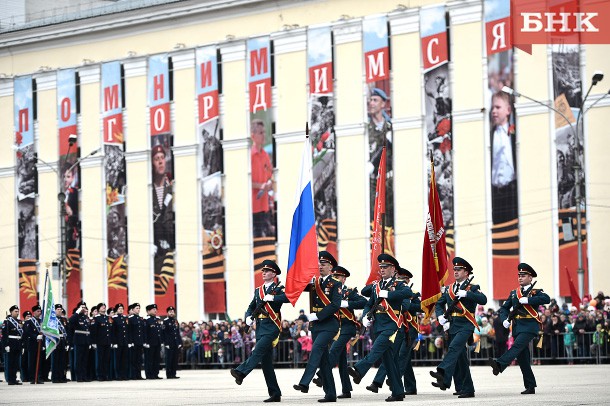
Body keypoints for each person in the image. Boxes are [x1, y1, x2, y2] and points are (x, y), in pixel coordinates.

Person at [348, 254, 411, 402]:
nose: (382, 269)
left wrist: (389, 294)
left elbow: (408, 294)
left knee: (376, 349)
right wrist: (365, 317)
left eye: (385, 267)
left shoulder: (399, 284)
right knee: (389, 361)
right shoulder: (377, 286)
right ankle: (398, 392)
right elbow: (369, 303)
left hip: (393, 326)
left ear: (393, 269)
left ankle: (359, 369)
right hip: (378, 326)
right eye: (381, 267)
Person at [230, 260, 289, 403]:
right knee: (266, 363)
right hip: (261, 328)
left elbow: (289, 297)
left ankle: (241, 372)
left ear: (274, 274)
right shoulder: (258, 290)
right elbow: (251, 307)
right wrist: (248, 318)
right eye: (263, 271)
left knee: (257, 351)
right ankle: (275, 393)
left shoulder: (278, 288)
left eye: (267, 271)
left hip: (272, 326)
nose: (263, 273)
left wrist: (273, 297)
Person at [489, 263, 551, 394]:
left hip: (529, 326)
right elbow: (504, 308)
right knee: (523, 358)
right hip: (517, 327)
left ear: (530, 278)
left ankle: (500, 364)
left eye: (524, 275)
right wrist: (504, 319)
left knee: (516, 347)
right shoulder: (514, 293)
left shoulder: (536, 292)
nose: (520, 278)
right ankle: (530, 386)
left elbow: (546, 299)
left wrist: (528, 300)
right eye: (519, 276)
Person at [431, 257, 487, 398]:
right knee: (460, 358)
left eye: (459, 269)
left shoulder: (472, 287)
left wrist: (467, 294)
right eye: (454, 269)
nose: (455, 272)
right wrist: (440, 317)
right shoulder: (450, 288)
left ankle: (442, 372)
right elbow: (439, 304)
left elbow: (483, 300)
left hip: (466, 324)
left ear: (466, 272)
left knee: (454, 348)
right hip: (453, 325)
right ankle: (467, 389)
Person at [293, 251, 342, 403]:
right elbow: (299, 286)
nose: (321, 266)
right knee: (324, 362)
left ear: (330, 267)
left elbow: (335, 305)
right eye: (319, 264)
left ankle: (305, 382)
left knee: (316, 349)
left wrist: (316, 316)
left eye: (324, 264)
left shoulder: (336, 283)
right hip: (317, 327)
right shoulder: (315, 283)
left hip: (329, 325)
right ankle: (330, 394)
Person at [312, 265, 367, 398]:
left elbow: (363, 302)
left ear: (344, 279)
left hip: (347, 327)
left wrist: (347, 303)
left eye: (338, 277)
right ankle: (346, 390)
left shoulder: (349, 291)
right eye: (334, 276)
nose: (335, 279)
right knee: (342, 360)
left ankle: (321, 376)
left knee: (334, 351)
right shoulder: (328, 291)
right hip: (334, 327)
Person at [367, 266, 421, 396]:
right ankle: (409, 386)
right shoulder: (391, 290)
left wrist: (403, 303)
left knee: (399, 355)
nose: (398, 280)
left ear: (407, 280)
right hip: (397, 326)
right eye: (398, 278)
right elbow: (366, 291)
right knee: (400, 357)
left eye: (402, 279)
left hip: (409, 328)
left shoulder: (411, 293)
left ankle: (381, 382)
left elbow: (418, 307)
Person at [490, 91, 518, 224]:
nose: (494, 111)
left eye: (498, 107)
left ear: (508, 110)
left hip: (512, 192)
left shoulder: (515, 134)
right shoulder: (489, 136)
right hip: (494, 194)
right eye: (492, 108)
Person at [151, 143, 175, 291]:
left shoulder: (172, 187)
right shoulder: (148, 188)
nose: (160, 161)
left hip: (172, 244)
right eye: (156, 159)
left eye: (162, 158)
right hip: (156, 247)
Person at [250, 119, 275, 238]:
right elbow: (244, 182)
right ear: (253, 136)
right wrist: (261, 186)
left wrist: (270, 182)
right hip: (253, 207)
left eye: (264, 132)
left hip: (265, 205)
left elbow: (271, 175)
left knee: (268, 236)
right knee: (257, 237)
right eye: (261, 133)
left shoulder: (265, 155)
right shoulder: (249, 156)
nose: (264, 135)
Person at [68, 302, 91, 382]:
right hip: (79, 341)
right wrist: (77, 312)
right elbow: (70, 321)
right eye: (81, 307)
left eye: (84, 307)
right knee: (78, 360)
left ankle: (84, 376)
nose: (83, 308)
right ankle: (79, 376)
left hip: (86, 341)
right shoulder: (76, 316)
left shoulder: (86, 317)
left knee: (85, 360)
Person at [23, 304, 45, 384]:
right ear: (34, 312)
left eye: (40, 311)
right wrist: (36, 336)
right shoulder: (29, 322)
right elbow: (27, 332)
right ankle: (32, 378)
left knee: (39, 362)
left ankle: (38, 377)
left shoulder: (41, 322)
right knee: (32, 362)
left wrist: (43, 345)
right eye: (38, 311)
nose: (39, 313)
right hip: (32, 344)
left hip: (40, 344)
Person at [2, 305, 23, 385]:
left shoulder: (19, 322)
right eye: (15, 311)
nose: (17, 313)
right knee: (10, 363)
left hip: (18, 344)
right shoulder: (7, 322)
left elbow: (21, 334)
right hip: (11, 344)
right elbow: (4, 335)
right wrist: (6, 345)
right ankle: (10, 380)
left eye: (18, 311)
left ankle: (14, 378)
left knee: (15, 363)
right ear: (11, 312)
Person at [90, 302, 111, 381]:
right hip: (100, 342)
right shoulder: (96, 318)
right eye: (102, 307)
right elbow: (94, 331)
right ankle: (99, 375)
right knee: (100, 359)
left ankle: (106, 375)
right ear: (98, 309)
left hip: (107, 341)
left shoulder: (107, 318)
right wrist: (94, 342)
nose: (104, 308)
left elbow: (109, 330)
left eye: (104, 307)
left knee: (106, 359)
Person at [144, 304, 162, 379]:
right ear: (148, 311)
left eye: (156, 309)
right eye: (153, 309)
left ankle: (155, 373)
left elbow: (159, 331)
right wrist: (145, 342)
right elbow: (144, 332)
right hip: (150, 343)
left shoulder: (157, 319)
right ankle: (149, 374)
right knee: (149, 359)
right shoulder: (146, 320)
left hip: (157, 342)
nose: (155, 310)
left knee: (156, 359)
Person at [163, 306, 182, 379]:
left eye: (172, 312)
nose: (171, 313)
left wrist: (179, 342)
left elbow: (177, 333)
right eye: (170, 312)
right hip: (169, 343)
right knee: (169, 359)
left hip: (175, 343)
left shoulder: (176, 321)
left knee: (175, 359)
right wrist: (166, 343)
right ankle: (169, 374)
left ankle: (173, 373)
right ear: (167, 313)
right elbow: (164, 333)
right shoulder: (165, 321)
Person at [51, 304, 68, 383]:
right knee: (55, 360)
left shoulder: (64, 320)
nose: (59, 310)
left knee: (62, 360)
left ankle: (61, 377)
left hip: (62, 341)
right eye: (57, 309)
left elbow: (66, 331)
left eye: (60, 309)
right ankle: (55, 377)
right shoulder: (52, 320)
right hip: (55, 340)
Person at [127, 303, 145, 380]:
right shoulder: (130, 319)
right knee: (133, 359)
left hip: (139, 341)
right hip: (133, 342)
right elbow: (129, 331)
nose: (138, 309)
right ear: (133, 309)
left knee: (139, 359)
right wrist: (130, 342)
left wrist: (143, 341)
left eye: (139, 308)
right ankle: (133, 375)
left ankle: (138, 375)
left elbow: (142, 331)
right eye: (137, 308)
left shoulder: (141, 318)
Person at [112, 303, 129, 380]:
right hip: (118, 342)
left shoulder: (125, 318)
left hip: (125, 342)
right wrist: (114, 342)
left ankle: (124, 375)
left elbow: (127, 331)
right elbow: (113, 332)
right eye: (119, 309)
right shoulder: (114, 318)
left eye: (122, 308)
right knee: (118, 359)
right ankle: (117, 375)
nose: (121, 310)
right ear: (116, 310)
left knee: (124, 359)